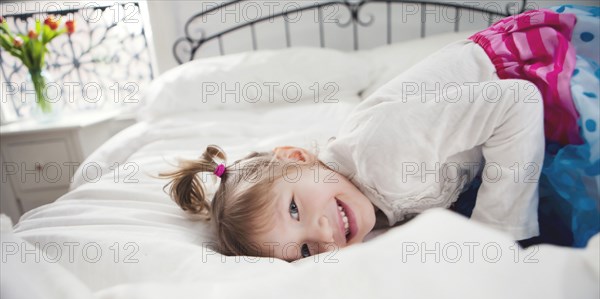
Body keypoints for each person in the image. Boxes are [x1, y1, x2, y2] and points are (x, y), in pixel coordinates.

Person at [160, 8, 595, 262]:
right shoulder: (365, 194)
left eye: (294, 209)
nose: (325, 235)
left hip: (533, 72)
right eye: (307, 251)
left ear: (296, 156)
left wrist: (498, 234)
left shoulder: (383, 151)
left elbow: (516, 100)